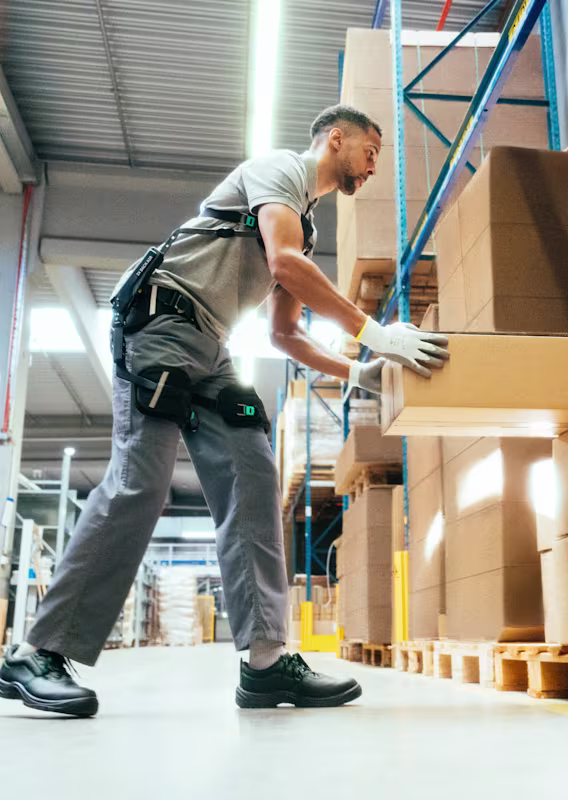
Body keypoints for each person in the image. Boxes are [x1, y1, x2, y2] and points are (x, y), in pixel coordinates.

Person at [0, 104, 449, 717]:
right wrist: (374, 333)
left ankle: (265, 666)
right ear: (336, 139)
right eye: (371, 151)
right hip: (160, 318)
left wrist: (360, 371)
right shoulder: (281, 170)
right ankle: (38, 653)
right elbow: (285, 265)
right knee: (141, 483)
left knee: (254, 474)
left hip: (209, 347)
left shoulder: (305, 225)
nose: (374, 166)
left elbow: (284, 336)